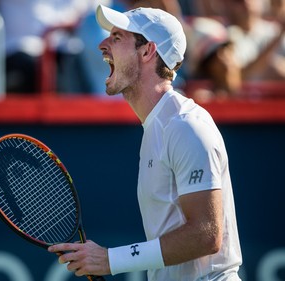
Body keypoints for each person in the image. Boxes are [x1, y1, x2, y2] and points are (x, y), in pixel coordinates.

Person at [48, 4, 243, 281]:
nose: (102, 45)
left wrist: (109, 260)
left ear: (147, 51)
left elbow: (206, 235)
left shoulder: (186, 126)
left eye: (116, 38)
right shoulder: (157, 127)